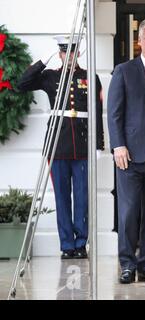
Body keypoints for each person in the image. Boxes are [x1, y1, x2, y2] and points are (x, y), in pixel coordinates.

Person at [17, 35, 104, 259]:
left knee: (82, 198)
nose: (70, 56)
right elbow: (22, 84)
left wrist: (99, 144)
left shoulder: (90, 77)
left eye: (73, 51)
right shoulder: (49, 77)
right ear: (60, 54)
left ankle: (81, 243)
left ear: (78, 53)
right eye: (65, 52)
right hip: (58, 145)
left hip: (83, 145)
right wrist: (43, 61)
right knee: (62, 197)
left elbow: (96, 112)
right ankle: (67, 245)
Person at [107, 18, 145, 284]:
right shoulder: (124, 70)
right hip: (129, 156)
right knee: (129, 213)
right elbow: (114, 113)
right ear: (139, 41)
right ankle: (127, 265)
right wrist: (118, 145)